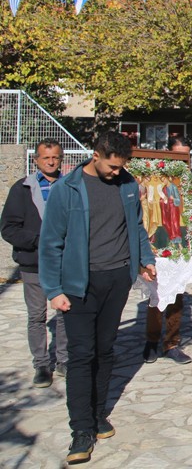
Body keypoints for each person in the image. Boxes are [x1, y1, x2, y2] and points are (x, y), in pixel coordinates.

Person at [39, 131, 157, 464]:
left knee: (105, 350)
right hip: (78, 285)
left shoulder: (128, 185)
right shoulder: (67, 190)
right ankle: (80, 430)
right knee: (81, 354)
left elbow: (135, 228)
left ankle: (98, 413)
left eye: (121, 167)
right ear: (96, 154)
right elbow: (51, 243)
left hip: (117, 279)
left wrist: (144, 259)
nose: (116, 172)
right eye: (112, 166)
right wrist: (54, 289)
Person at [1, 139, 67, 388]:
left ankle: (64, 359)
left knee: (65, 313)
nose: (51, 162)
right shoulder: (23, 189)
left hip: (63, 262)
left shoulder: (69, 185)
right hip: (33, 264)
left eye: (55, 158)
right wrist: (38, 241)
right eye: (46, 158)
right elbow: (8, 227)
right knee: (37, 315)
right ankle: (41, 364)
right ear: (36, 160)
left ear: (61, 159)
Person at [142, 137, 192, 365]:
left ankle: (172, 342)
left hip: (180, 243)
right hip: (156, 242)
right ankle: (151, 341)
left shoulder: (191, 180)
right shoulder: (156, 177)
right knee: (155, 296)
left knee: (177, 296)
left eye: (187, 156)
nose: (183, 161)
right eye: (179, 156)